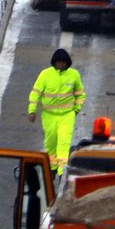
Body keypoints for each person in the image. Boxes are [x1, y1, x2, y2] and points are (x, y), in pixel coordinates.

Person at [28, 48, 86, 176]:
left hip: (67, 116)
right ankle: (52, 168)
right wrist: (32, 111)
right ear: (54, 62)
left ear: (67, 63)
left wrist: (76, 109)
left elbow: (80, 95)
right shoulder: (45, 75)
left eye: (63, 63)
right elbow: (35, 93)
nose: (61, 65)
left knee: (64, 144)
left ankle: (62, 173)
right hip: (49, 116)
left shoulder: (74, 75)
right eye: (59, 62)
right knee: (50, 144)